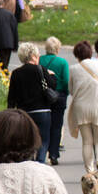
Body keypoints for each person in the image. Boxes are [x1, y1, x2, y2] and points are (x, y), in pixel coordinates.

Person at [68, 40, 98, 186]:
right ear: (90, 53)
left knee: (87, 141)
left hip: (81, 107)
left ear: (76, 54)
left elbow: (71, 90)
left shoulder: (73, 69)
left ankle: (90, 171)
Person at [6, 42, 54, 163]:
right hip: (42, 110)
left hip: (24, 113)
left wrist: (10, 113)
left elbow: (12, 96)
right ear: (33, 56)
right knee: (43, 140)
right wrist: (52, 76)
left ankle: (29, 162)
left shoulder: (16, 73)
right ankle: (40, 163)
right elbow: (53, 85)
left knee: (28, 141)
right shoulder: (41, 70)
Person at [39, 37, 70, 166]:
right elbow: (66, 80)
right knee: (57, 126)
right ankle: (54, 154)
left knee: (43, 125)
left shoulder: (39, 60)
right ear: (58, 48)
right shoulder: (62, 62)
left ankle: (42, 151)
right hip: (59, 96)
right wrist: (65, 93)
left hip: (43, 95)